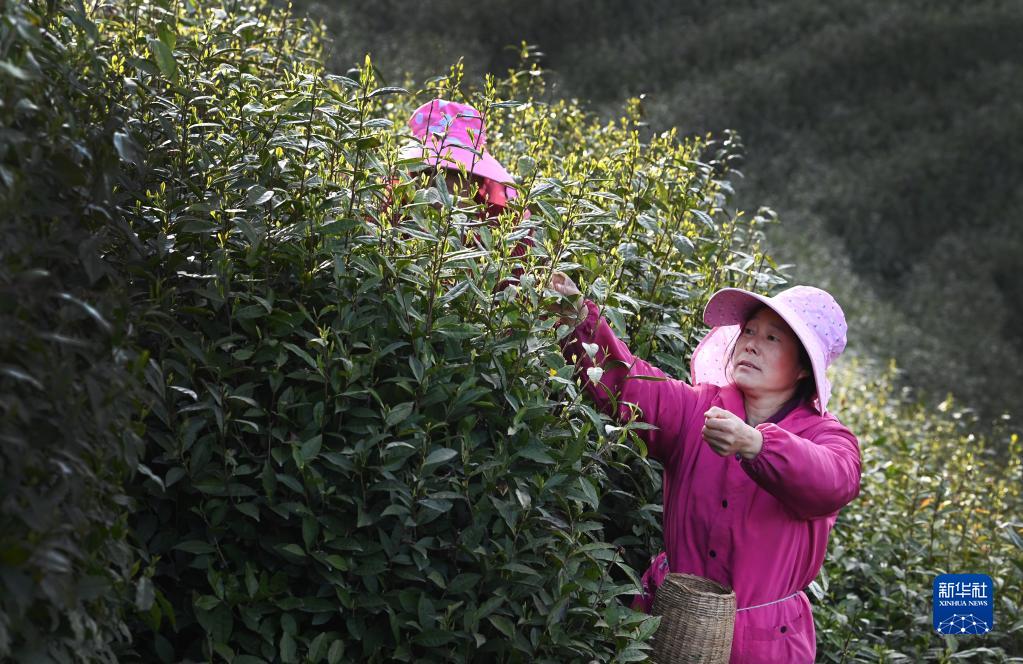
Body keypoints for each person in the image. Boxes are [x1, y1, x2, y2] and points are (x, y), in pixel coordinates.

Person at [547, 271, 861, 664]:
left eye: (772, 338)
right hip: (673, 626)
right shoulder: (701, 408)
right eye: (749, 331)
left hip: (764, 646)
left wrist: (758, 445)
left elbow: (834, 481)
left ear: (802, 368)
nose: (751, 345)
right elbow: (630, 384)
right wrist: (580, 320)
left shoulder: (826, 436)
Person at [378, 98, 536, 292]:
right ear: (411, 175)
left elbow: (523, 297)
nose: (438, 183)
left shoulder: (503, 230)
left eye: (453, 173)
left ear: (476, 181)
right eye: (427, 170)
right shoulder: (394, 219)